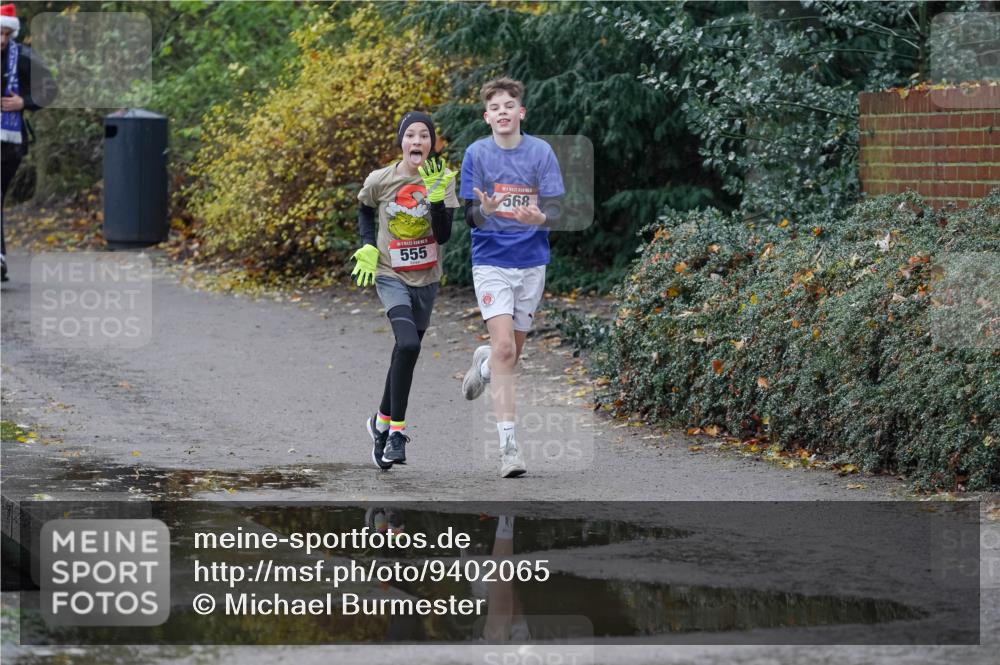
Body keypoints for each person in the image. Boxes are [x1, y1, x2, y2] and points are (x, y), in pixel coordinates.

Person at [459, 77, 565, 478]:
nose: (503, 112)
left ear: (521, 112)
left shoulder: (541, 152)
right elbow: (470, 215)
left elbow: (556, 209)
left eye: (510, 105)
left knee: (508, 356)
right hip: (491, 262)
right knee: (506, 348)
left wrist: (541, 217)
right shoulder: (476, 155)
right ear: (487, 118)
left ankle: (485, 367)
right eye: (496, 107)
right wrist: (484, 210)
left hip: (531, 263)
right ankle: (509, 449)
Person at [351, 111, 458, 470]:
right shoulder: (380, 179)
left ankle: (379, 423)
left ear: (431, 143)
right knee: (408, 344)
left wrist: (438, 198)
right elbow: (364, 209)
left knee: (405, 351)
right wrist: (367, 244)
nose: (417, 141)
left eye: (424, 136)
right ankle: (396, 431)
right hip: (389, 273)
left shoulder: (442, 179)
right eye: (410, 135)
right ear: (402, 141)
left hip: (426, 279)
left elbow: (444, 236)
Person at [1, 3, 56, 282]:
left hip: (9, 142)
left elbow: (50, 90)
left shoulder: (23, 57)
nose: (1, 40)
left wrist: (25, 101)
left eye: (5, 35)